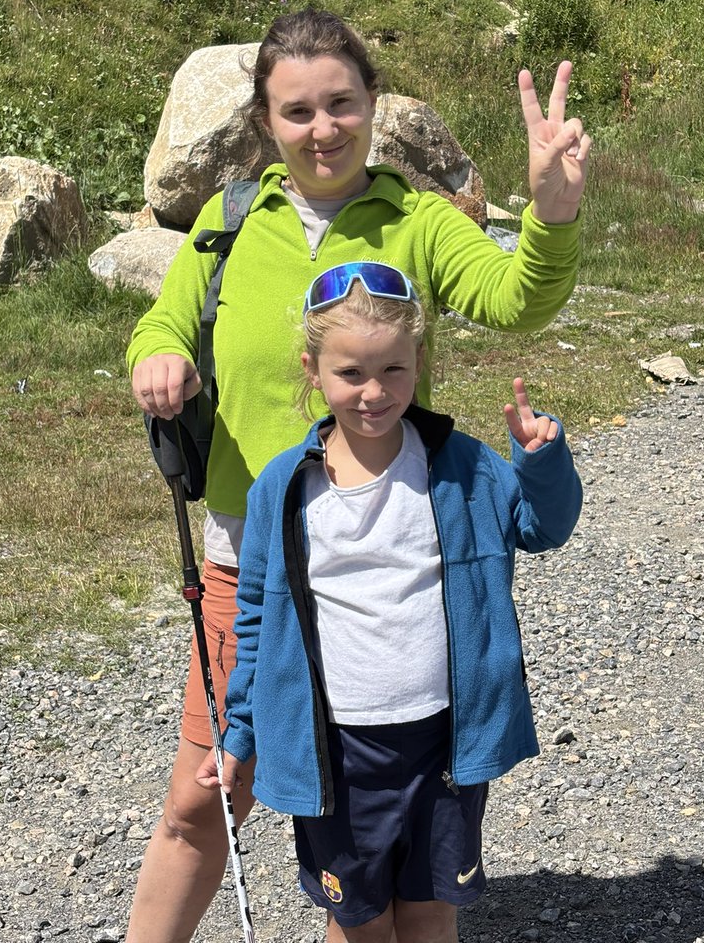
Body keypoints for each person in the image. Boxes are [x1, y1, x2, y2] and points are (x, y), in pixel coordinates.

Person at [126, 7, 591, 943]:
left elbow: (517, 298)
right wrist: (158, 357)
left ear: (373, 104)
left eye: (341, 103)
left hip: (388, 556)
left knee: (378, 806)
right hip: (251, 561)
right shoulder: (228, 223)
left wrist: (551, 212)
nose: (322, 129)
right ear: (266, 121)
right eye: (297, 111)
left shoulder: (415, 220)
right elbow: (165, 322)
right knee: (203, 797)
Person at [197, 263, 582, 942]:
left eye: (393, 371)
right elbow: (255, 620)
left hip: (443, 741)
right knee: (359, 920)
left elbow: (541, 528)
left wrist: (539, 462)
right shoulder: (283, 488)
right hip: (337, 752)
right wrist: (240, 737)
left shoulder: (464, 466)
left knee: (432, 912)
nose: (373, 392)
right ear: (313, 370)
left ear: (419, 362)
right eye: (350, 373)